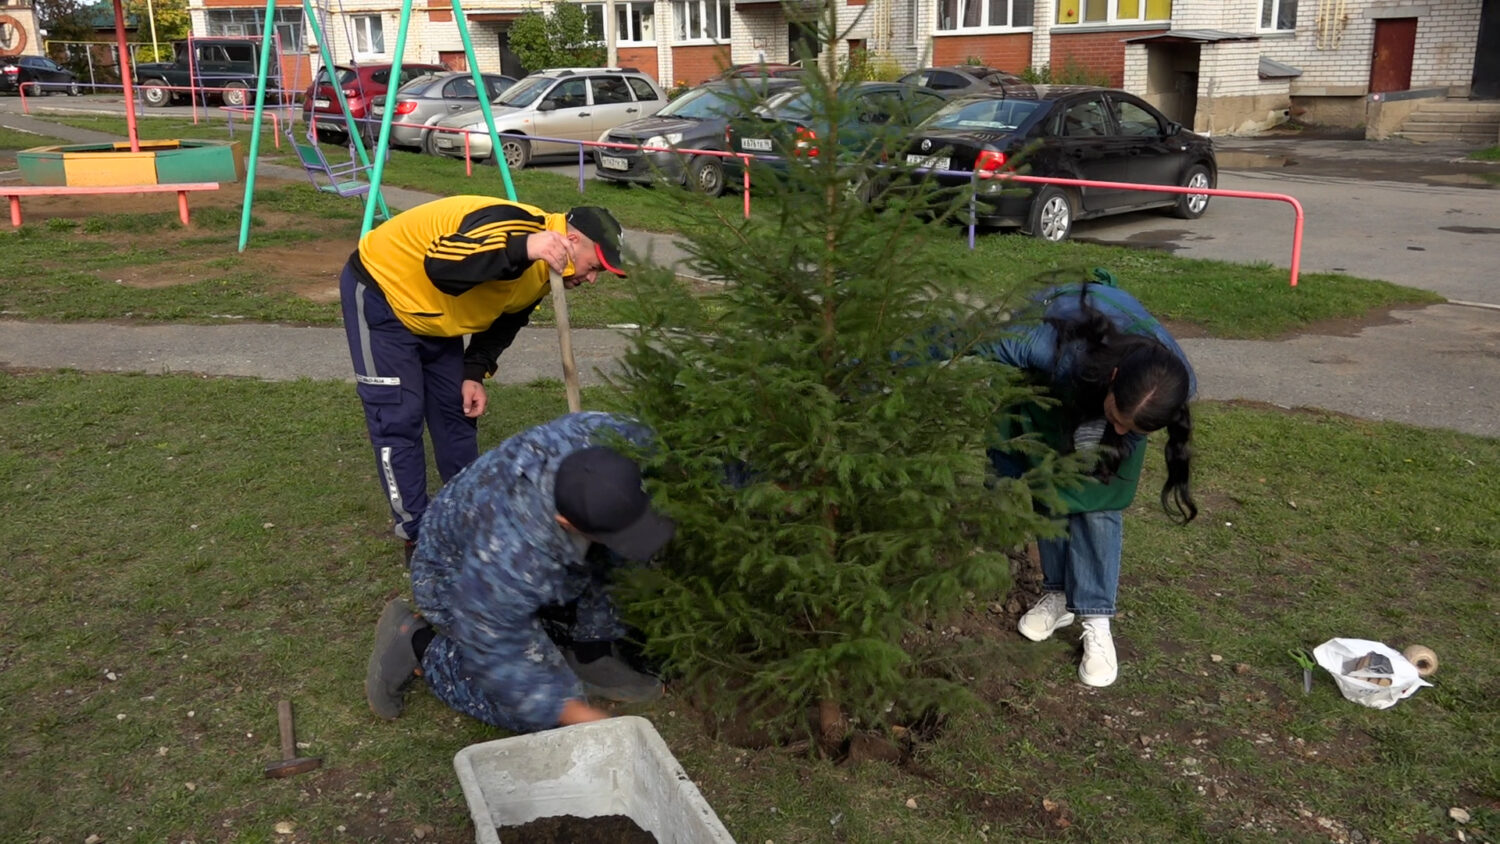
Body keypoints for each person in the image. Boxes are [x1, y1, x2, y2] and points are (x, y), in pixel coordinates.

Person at [338, 196, 629, 562]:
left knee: (456, 415)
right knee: (398, 419)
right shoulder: (515, 228)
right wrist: (523, 247)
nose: (591, 278)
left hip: (438, 316)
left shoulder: (546, 267)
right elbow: (442, 266)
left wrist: (473, 370)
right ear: (572, 241)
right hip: (385, 292)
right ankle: (417, 534)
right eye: (594, 266)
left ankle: (470, 513)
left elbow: (509, 317)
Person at [363, 411, 676, 732]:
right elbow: (497, 645)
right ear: (565, 523)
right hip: (455, 579)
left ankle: (590, 654)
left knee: (617, 554)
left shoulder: (613, 437)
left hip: (519, 553)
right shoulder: (513, 547)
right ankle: (418, 643)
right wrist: (573, 714)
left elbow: (691, 451)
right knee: (537, 713)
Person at [975, 278, 1197, 688]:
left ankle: (1096, 618)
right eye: (1114, 416)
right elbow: (965, 339)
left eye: (1128, 427)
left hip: (1119, 389)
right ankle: (1059, 594)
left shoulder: (1170, 387)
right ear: (1111, 379)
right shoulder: (1041, 347)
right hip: (1061, 373)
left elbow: (1125, 420)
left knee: (1099, 502)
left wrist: (1119, 431)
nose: (1116, 426)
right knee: (1050, 479)